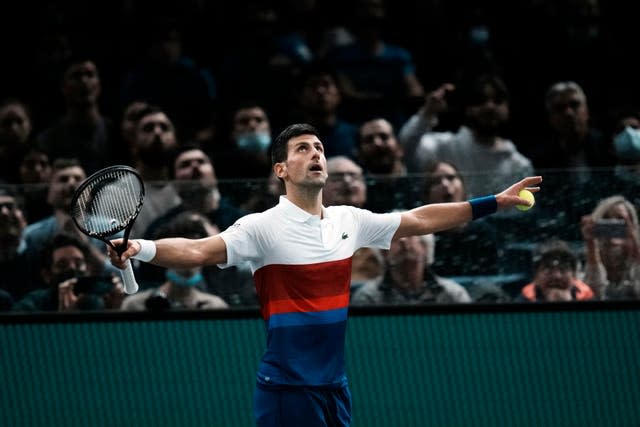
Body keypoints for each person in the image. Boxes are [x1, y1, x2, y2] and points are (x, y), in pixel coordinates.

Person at [107, 123, 541, 426]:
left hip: (335, 387)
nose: (315, 153)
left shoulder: (349, 220)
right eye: (302, 149)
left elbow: (420, 220)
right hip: (287, 392)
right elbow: (198, 250)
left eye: (319, 148)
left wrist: (493, 202)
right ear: (281, 170)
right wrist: (141, 248)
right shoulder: (260, 227)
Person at [398, 73, 533, 197]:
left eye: (497, 101)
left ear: (507, 108)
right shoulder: (444, 146)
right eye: (481, 100)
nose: (490, 106)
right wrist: (427, 112)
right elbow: (405, 148)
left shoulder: (520, 165)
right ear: (468, 109)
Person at [121, 212, 229, 311]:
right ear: (164, 256)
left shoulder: (216, 307)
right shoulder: (136, 306)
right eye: (181, 252)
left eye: (195, 252)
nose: (188, 260)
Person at [14, 233, 125, 312]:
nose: (72, 269)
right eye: (62, 265)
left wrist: (113, 313)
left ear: (87, 268)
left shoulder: (100, 300)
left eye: (78, 263)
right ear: (47, 275)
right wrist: (65, 320)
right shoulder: (31, 306)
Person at [351, 234, 471, 305]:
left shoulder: (452, 293)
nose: (403, 240)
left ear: (425, 247)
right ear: (383, 254)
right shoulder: (368, 297)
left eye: (410, 234)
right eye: (395, 237)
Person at [580, 195, 640, 300]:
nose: (612, 223)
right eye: (606, 218)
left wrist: (635, 248)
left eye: (620, 219)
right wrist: (591, 246)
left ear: (632, 225)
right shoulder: (582, 263)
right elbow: (593, 295)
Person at [517, 239, 594, 302]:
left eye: (563, 270)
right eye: (548, 270)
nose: (557, 276)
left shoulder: (586, 297)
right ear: (536, 275)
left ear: (574, 275)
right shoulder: (524, 299)